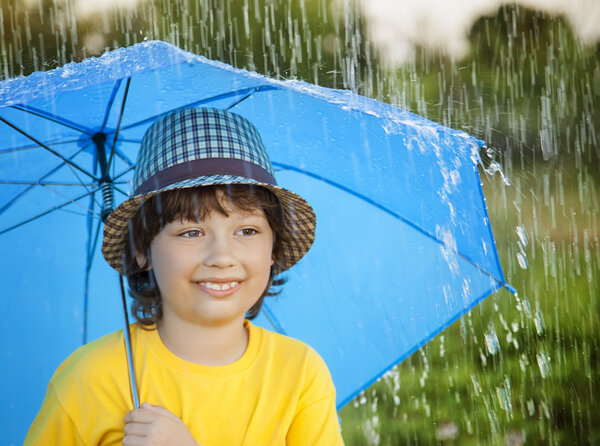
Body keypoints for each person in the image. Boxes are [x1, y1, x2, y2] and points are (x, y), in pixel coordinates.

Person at [24, 107, 344, 445]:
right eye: (191, 233)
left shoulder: (299, 373)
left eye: (247, 230)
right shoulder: (91, 377)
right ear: (141, 250)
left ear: (274, 248)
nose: (222, 257)